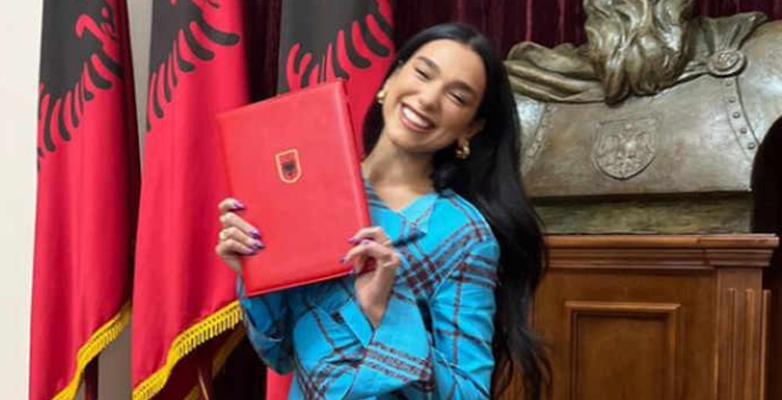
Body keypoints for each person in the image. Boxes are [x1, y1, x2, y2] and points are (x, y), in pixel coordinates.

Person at [216, 23, 549, 399]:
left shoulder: (463, 235)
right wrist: (254, 268)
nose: (428, 99)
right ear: (391, 78)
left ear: (470, 128)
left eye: (456, 97)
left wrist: (385, 312)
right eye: (423, 73)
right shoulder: (311, 190)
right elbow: (279, 355)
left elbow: (469, 393)